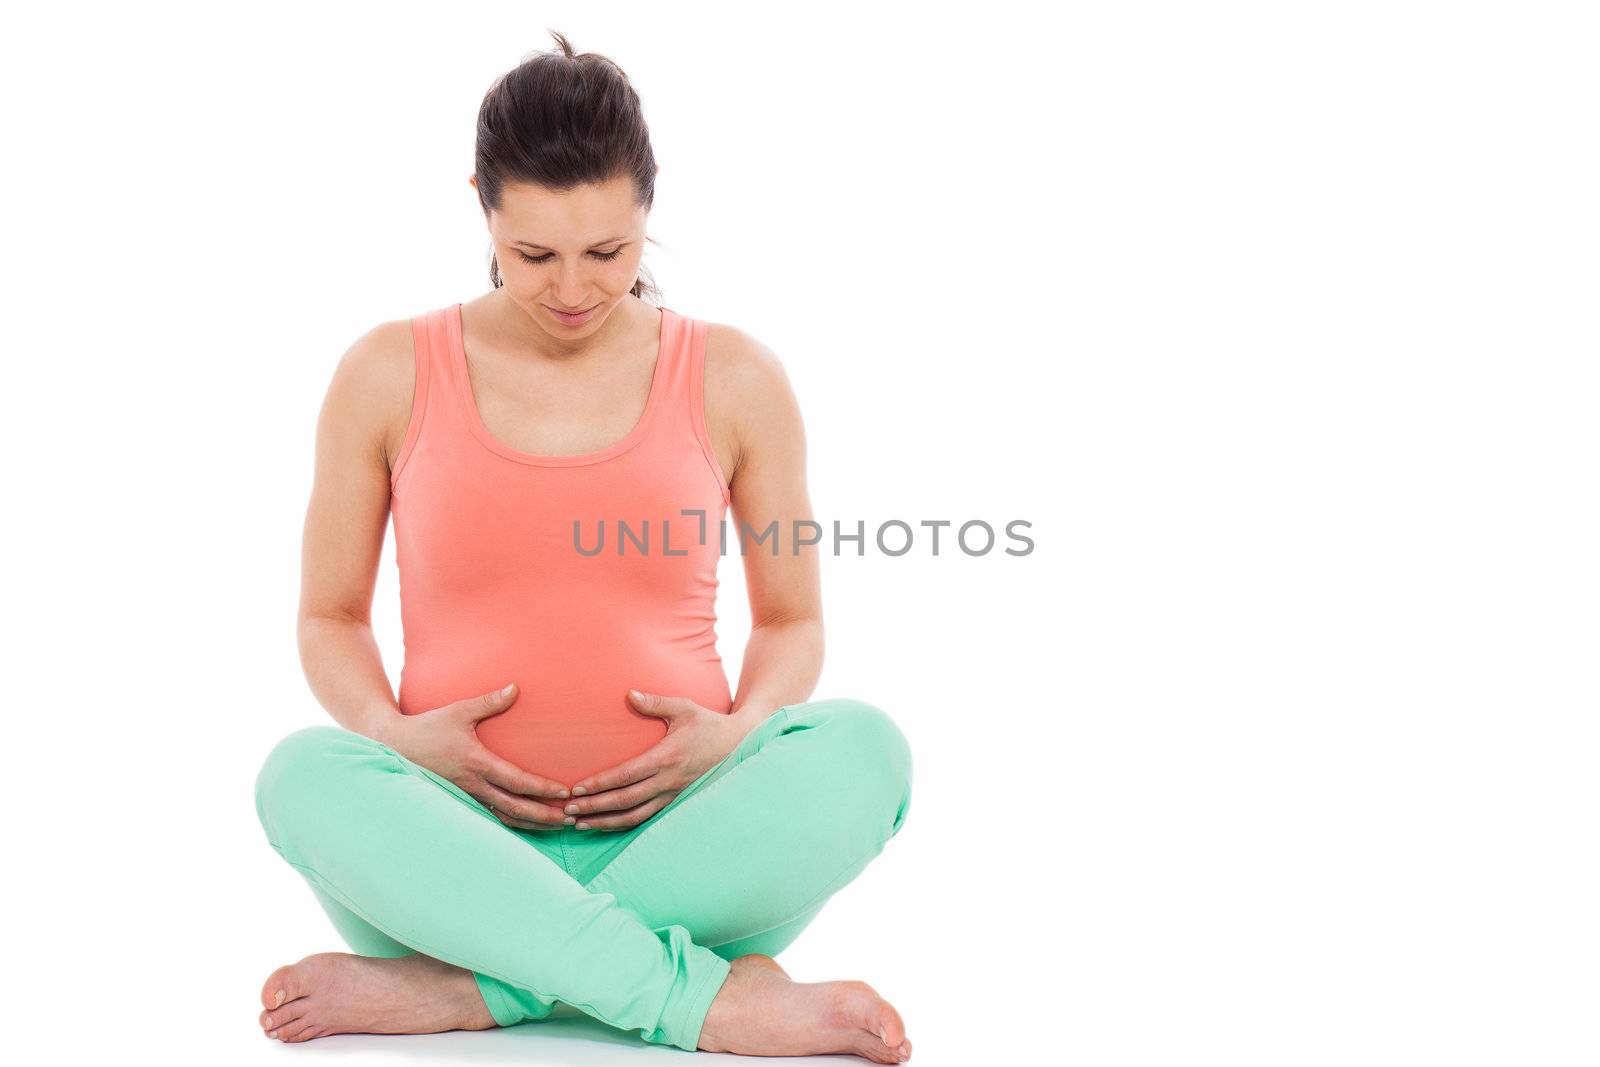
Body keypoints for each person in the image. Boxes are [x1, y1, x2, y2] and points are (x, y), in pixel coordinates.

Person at [251, 31, 914, 1062]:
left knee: (867, 751)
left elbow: (791, 618)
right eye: (533, 255)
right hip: (449, 860)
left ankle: (474, 988)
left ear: (647, 209)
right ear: (482, 204)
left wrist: (740, 732)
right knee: (299, 774)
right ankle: (705, 999)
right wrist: (391, 730)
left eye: (608, 253)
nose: (572, 288)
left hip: (698, 855)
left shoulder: (735, 375)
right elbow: (328, 615)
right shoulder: (386, 371)